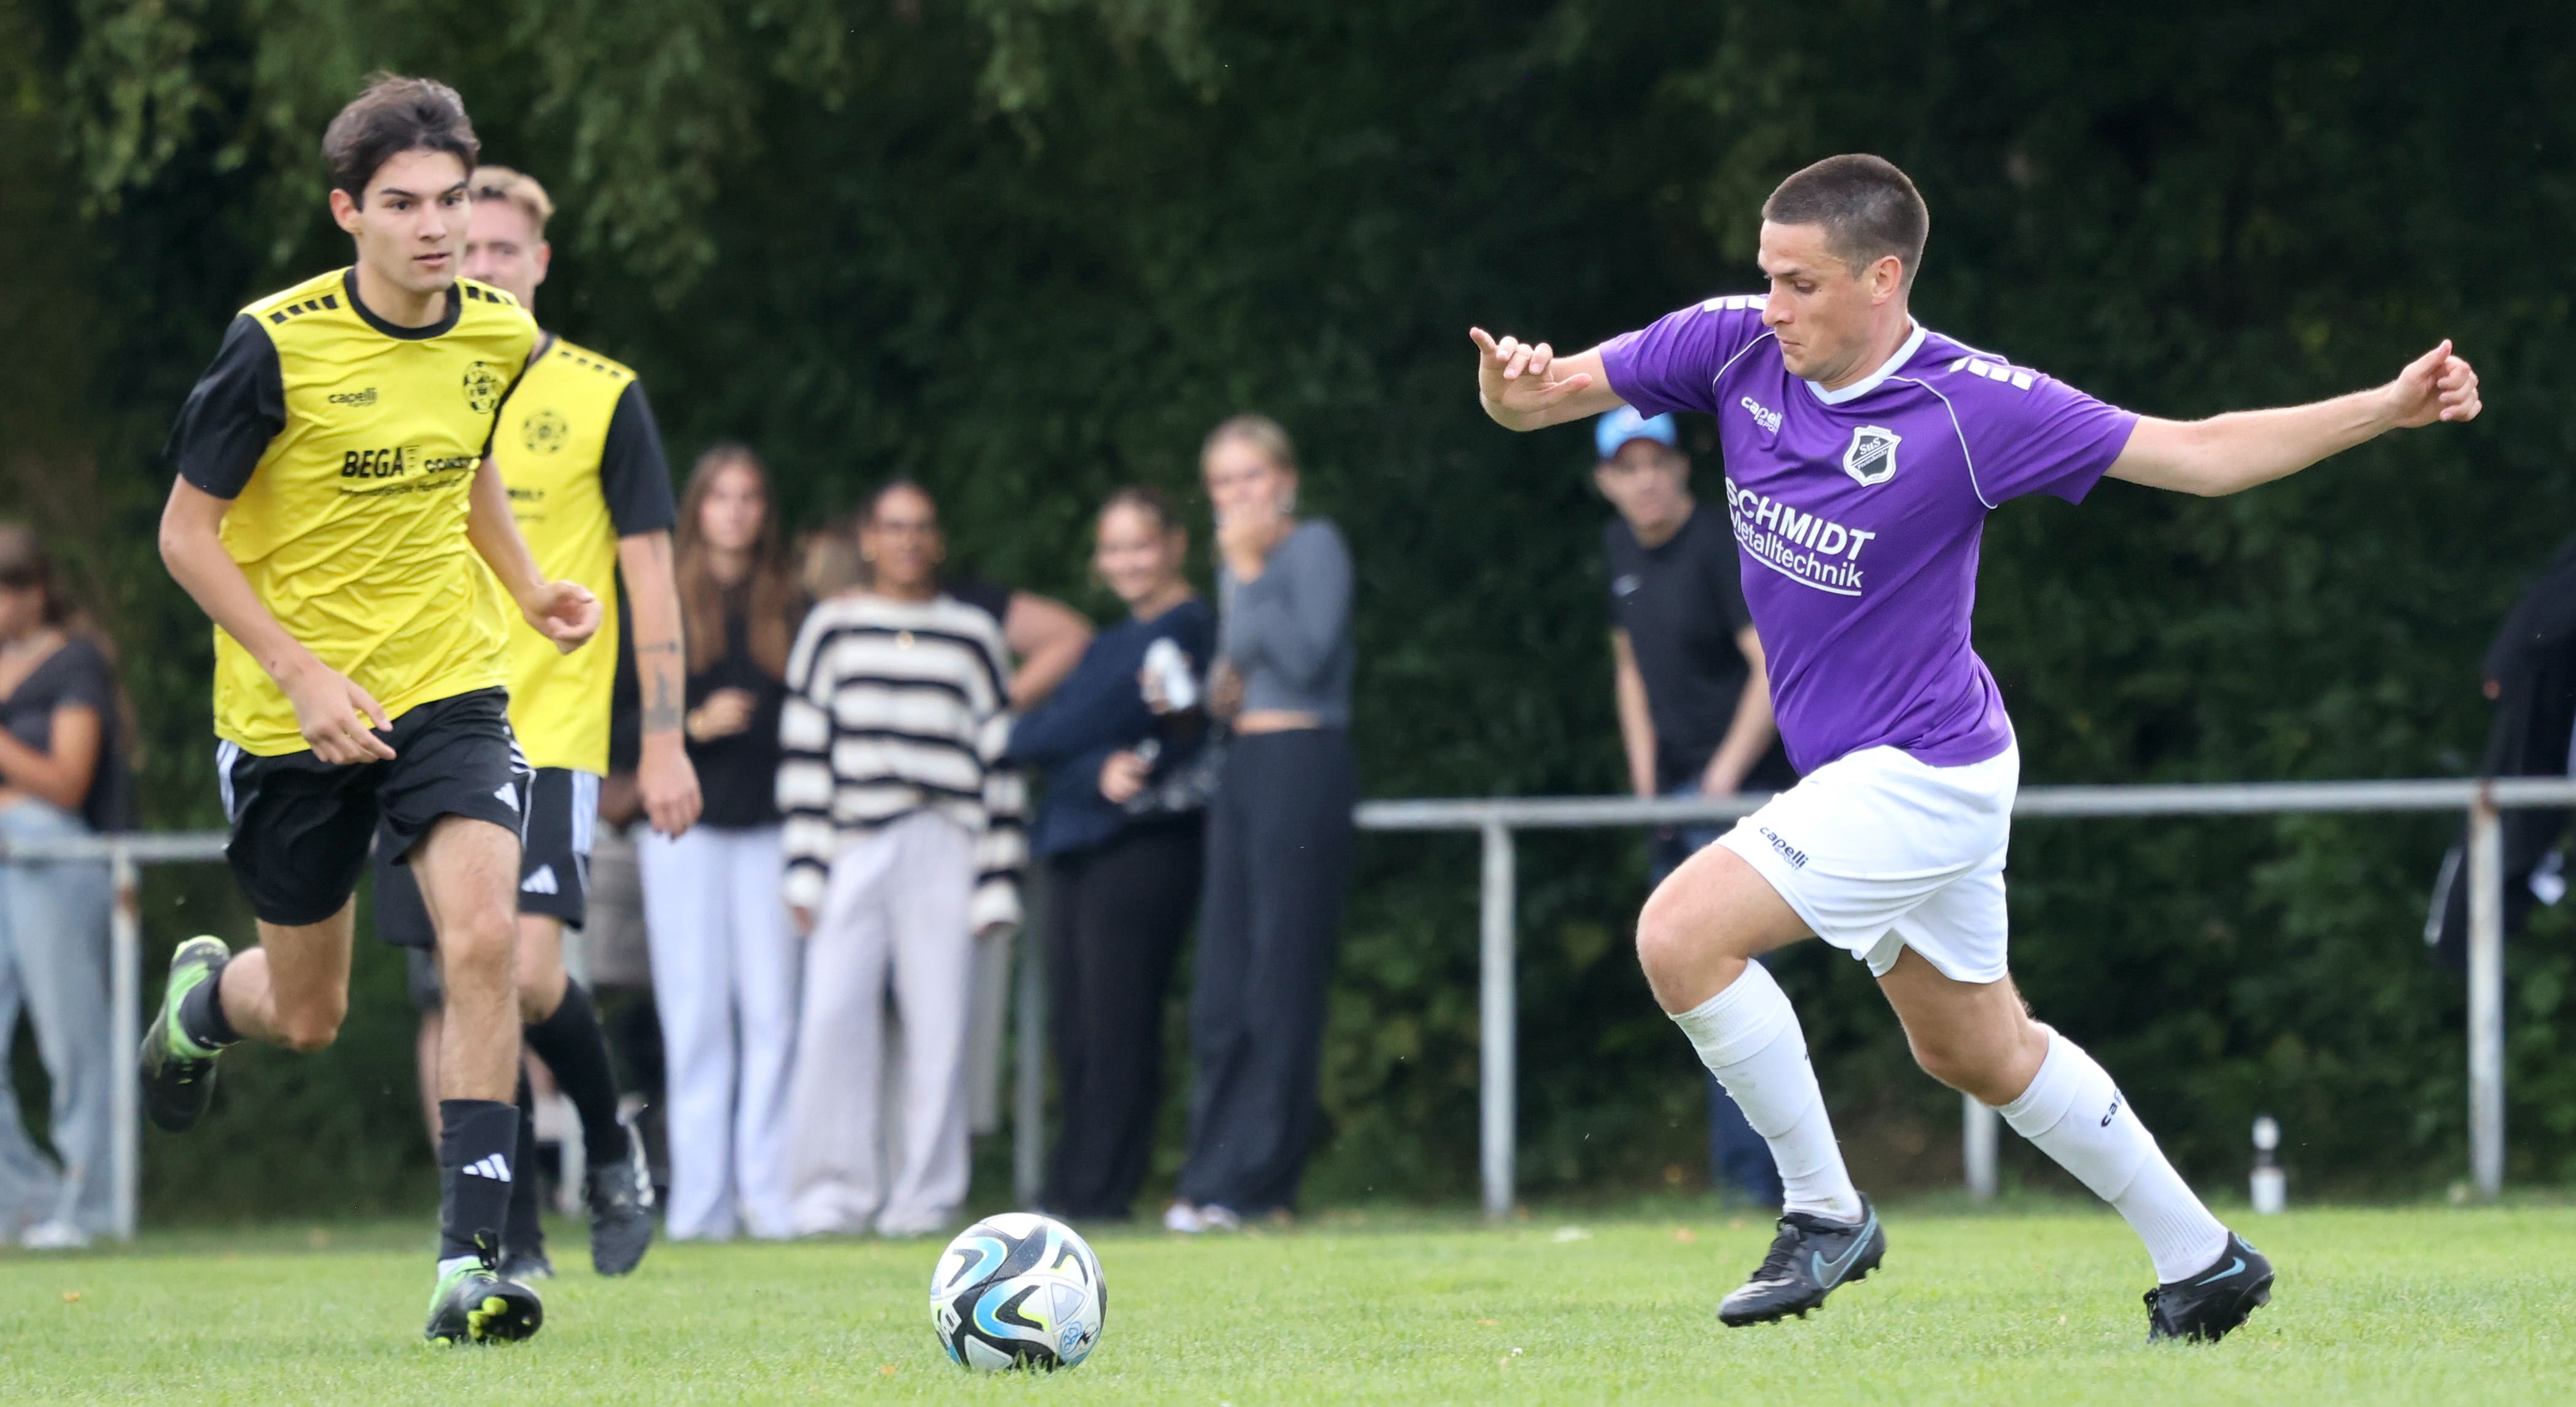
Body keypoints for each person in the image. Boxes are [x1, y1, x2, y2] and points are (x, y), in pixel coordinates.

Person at [1470, 152, 2480, 1341]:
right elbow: (1539, 402)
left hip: (1922, 771)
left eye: (1800, 283)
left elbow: (2201, 455)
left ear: (1883, 278)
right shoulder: (1731, 344)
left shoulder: (1971, 404)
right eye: (1767, 276)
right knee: (1979, 1051)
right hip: (1884, 771)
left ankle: (1823, 1211)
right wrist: (1510, 387)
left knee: (1679, 934)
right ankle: (2204, 1261)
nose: (1772, 305)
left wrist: (2385, 406)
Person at [146, 74, 602, 1344]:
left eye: (451, 199)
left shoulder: (499, 332)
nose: (435, 227)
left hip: (448, 683)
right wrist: (300, 673)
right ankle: (201, 1006)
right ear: (347, 212)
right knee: (310, 1016)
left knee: (484, 938)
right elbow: (185, 536)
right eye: (402, 204)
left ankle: (471, 1263)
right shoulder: (272, 343)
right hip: (288, 713)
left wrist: (528, 587)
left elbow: (467, 463)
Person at [376, 163, 699, 1282]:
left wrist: (665, 738)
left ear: (540, 263)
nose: (482, 266)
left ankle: (608, 1141)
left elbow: (651, 577)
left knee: (519, 968)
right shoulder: (404, 384)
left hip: (548, 729)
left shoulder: (604, 395)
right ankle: (502, 1239)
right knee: (453, 984)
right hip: (421, 717)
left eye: (504, 250)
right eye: (468, 247)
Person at [779, 481, 1023, 1238]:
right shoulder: (832, 628)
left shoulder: (971, 635)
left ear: (937, 540)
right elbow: (806, 749)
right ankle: (830, 1196)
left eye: (921, 527)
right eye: (893, 527)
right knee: (832, 1018)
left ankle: (925, 1197)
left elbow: (999, 760)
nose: (908, 541)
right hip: (854, 838)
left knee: (940, 1026)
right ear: (869, 539)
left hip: (946, 836)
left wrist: (996, 881)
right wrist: (805, 868)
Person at [1593, 405, 1794, 1210]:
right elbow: (1629, 671)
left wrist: (1722, 780)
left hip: (1748, 800)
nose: (1645, 480)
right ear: (1606, 482)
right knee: (1700, 997)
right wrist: (1648, 792)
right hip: (1677, 805)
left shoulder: (1719, 542)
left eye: (1656, 463)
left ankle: (1762, 1187)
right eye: (1628, 468)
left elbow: (1770, 668)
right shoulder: (1617, 549)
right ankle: (1747, 1184)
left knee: (1736, 996)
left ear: (1680, 468)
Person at [1167, 415, 1358, 1233]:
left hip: (1302, 762)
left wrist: (1248, 572)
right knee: (1223, 986)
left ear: (1285, 480)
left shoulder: (1312, 546)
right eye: (1223, 482)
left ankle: (1259, 1184)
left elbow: (1308, 656)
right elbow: (1236, 670)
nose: (1239, 495)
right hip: (1244, 765)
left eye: (1252, 477)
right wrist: (1216, 688)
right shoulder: (1234, 565)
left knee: (1280, 979)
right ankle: (1206, 1178)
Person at [1003, 487, 1216, 1221]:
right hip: (1079, 845)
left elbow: (1052, 734)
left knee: (1115, 1023)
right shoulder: (1109, 644)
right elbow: (1043, 739)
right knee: (1077, 1027)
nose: (1128, 562)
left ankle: (1097, 1193)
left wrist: (1066, 752)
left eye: (1141, 545)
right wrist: (1088, 764)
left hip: (1140, 847)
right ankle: (1073, 1188)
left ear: (1175, 545)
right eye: (1114, 548)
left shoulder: (1186, 628)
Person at [637, 443, 805, 1241]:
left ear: (765, 512)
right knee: (696, 1015)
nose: (735, 512)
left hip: (773, 827)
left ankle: (768, 1200)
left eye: (750, 497)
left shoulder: (792, 603)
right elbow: (613, 718)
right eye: (720, 497)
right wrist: (689, 726)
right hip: (685, 830)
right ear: (697, 508)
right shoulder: (662, 604)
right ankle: (700, 1206)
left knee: (773, 1014)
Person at [0, 527, 135, 1249]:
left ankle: (90, 1207)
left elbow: (67, 781)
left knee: (72, 1042)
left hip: (53, 858)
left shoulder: (75, 662)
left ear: (31, 592)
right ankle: (26, 1204)